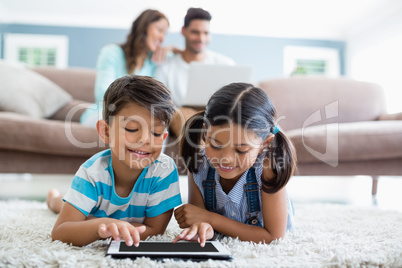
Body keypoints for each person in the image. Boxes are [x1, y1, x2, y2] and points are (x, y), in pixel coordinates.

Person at [49, 75, 182, 247]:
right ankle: (52, 198)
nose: (145, 139)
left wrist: (105, 227)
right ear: (105, 131)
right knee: (61, 204)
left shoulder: (164, 171)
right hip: (90, 207)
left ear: (164, 137)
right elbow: (60, 232)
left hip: (95, 214)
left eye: (156, 133)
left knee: (81, 214)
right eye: (132, 129)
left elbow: (154, 231)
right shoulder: (91, 173)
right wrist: (99, 225)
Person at [172, 82, 296, 247]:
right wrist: (202, 227)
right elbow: (199, 219)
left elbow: (273, 236)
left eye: (241, 150)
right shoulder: (199, 163)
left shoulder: (268, 168)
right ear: (204, 133)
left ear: (264, 144)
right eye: (215, 145)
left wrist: (210, 219)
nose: (226, 159)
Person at [81, 9, 179, 128]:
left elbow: (186, 56)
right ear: (144, 27)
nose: (162, 38)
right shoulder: (112, 52)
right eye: (160, 30)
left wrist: (172, 48)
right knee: (131, 123)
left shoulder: (154, 61)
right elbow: (102, 93)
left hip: (142, 115)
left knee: (160, 124)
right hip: (105, 112)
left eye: (165, 33)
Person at [154, 7, 235, 137]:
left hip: (218, 115)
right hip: (182, 115)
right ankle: (199, 151)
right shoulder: (166, 67)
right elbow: (159, 104)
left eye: (206, 33)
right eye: (195, 32)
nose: (201, 38)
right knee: (183, 114)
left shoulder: (225, 64)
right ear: (183, 31)